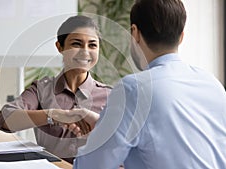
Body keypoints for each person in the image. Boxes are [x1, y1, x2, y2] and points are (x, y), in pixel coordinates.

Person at [73, 0, 226, 168]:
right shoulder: (212, 84)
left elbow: (91, 166)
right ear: (181, 36)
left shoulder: (133, 89)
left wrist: (101, 134)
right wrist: (104, 125)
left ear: (135, 33)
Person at [0, 15, 111, 164]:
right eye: (76, 44)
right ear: (60, 47)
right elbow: (4, 119)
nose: (85, 51)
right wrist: (54, 115)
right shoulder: (41, 90)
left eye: (92, 45)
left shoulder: (111, 95)